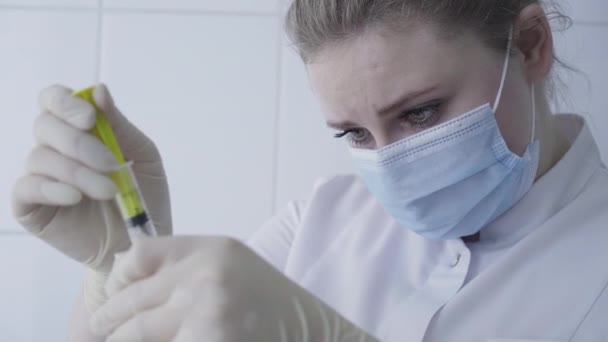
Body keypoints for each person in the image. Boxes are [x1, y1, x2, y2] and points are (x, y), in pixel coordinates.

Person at [11, 0, 608, 341]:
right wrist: (123, 267)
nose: (391, 164)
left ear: (530, 45)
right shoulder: (319, 221)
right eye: (352, 133)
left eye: (421, 113)